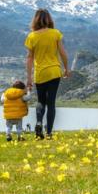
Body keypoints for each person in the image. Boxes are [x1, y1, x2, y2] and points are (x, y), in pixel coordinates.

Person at [25, 9, 70, 140]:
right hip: (54, 71)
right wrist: (66, 68)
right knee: (51, 103)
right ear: (49, 19)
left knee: (40, 101)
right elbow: (62, 53)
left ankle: (39, 122)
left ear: (35, 20)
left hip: (40, 73)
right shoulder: (55, 33)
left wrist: (28, 77)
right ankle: (49, 133)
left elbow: (29, 58)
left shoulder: (31, 36)